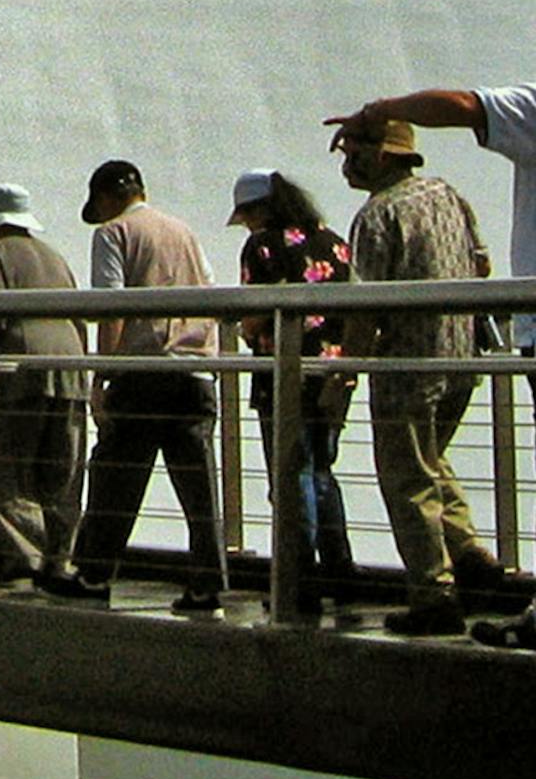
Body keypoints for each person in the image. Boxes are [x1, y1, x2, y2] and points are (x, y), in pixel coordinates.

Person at [326, 81, 536, 647]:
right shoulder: (448, 194)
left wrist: (343, 375)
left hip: (406, 366)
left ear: (379, 154)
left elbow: (363, 309)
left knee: (405, 477)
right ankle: (470, 556)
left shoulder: (377, 216)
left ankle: (433, 594)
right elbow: (483, 263)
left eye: (351, 153)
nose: (346, 164)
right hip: (461, 357)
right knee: (431, 460)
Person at [57, 160, 226, 613]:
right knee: (198, 487)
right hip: (194, 371)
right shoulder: (184, 232)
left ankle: (93, 574)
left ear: (108, 197)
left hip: (143, 371)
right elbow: (210, 290)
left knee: (115, 475)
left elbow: (114, 304)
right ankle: (209, 584)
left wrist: (103, 375)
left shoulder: (113, 234)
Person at [227, 168, 354, 613]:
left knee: (290, 472)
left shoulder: (261, 246)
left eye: (244, 214)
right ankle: (341, 573)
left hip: (284, 372)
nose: (243, 223)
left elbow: (254, 314)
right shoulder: (334, 241)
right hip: (334, 370)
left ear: (258, 210)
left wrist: (247, 329)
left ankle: (299, 578)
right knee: (322, 468)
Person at [0, 182, 87, 593]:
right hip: (70, 364)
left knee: (8, 467)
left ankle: (27, 556)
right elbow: (80, 316)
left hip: (23, 368)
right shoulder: (56, 256)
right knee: (61, 472)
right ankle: (60, 559)